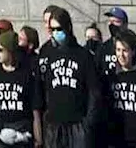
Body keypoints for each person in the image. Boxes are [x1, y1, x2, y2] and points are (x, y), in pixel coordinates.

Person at [39, 8, 100, 148]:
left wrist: (88, 123)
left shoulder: (83, 56)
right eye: (52, 29)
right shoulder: (50, 54)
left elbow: (94, 92)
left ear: (68, 27)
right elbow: (47, 89)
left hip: (77, 126)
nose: (55, 33)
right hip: (54, 127)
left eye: (59, 29)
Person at [0, 29, 42, 148]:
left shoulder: (25, 74)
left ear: (10, 51)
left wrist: (38, 137)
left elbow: (35, 108)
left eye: (0, 50)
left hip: (22, 129)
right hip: (1, 129)